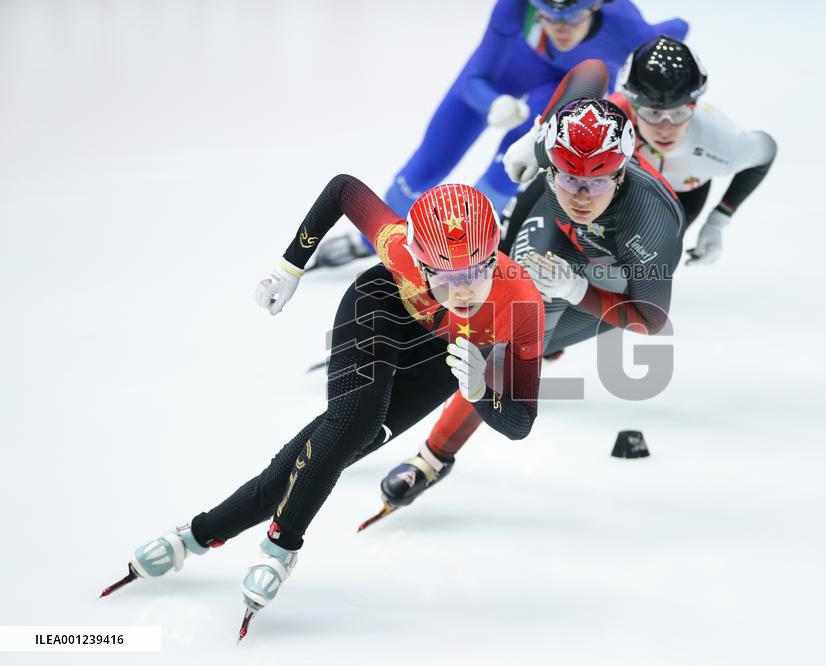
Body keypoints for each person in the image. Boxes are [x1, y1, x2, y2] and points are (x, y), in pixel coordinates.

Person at [102, 180, 544, 640]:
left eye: (476, 273)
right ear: (419, 261)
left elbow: (520, 423)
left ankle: (196, 534)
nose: (462, 291)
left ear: (495, 257)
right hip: (381, 306)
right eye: (445, 278)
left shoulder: (524, 303)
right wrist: (290, 265)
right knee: (353, 422)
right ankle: (280, 548)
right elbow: (342, 190)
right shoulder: (401, 249)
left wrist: (478, 392)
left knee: (336, 447)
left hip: (444, 356)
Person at [370, 59, 685, 518]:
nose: (580, 194)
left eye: (596, 181)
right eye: (566, 175)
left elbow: (651, 320)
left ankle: (434, 457)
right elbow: (593, 69)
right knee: (500, 322)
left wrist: (579, 291)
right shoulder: (555, 146)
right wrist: (534, 134)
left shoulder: (650, 228)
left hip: (611, 268)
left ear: (619, 173)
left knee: (514, 349)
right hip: (551, 229)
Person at [309, 0, 688, 270]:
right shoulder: (514, 8)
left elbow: (671, 33)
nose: (560, 29)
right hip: (498, 81)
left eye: (571, 19)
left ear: (596, 7)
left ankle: (460, 251)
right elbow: (475, 79)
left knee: (505, 171)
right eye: (547, 15)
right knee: (423, 171)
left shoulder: (624, 23)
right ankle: (366, 241)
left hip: (553, 92)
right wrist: (492, 103)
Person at [610, 35, 777, 265]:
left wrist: (718, 220)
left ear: (694, 106)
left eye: (678, 113)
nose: (665, 129)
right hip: (613, 184)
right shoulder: (608, 121)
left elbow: (766, 151)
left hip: (681, 193)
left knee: (646, 260)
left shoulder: (720, 141)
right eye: (653, 114)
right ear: (631, 106)